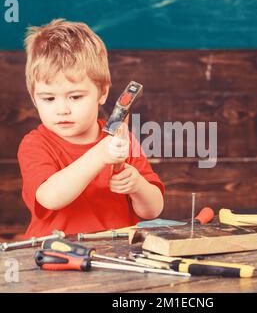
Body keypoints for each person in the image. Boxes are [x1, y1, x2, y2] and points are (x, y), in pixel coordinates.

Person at [17, 19, 164, 238]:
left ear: (102, 92)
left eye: (75, 97)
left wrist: (137, 185)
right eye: (48, 98)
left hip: (119, 257)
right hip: (55, 259)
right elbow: (50, 197)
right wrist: (99, 154)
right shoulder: (35, 144)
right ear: (34, 98)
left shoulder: (122, 139)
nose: (62, 109)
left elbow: (152, 210)